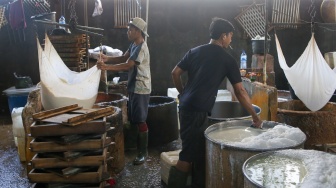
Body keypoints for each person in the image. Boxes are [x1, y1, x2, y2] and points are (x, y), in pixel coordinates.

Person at [168, 17, 263, 188]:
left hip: (185, 106)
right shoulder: (227, 60)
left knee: (196, 150)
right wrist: (255, 115)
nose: (231, 39)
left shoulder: (194, 51)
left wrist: (183, 94)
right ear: (223, 36)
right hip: (197, 110)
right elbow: (240, 91)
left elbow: (175, 73)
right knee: (187, 156)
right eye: (230, 35)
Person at [96, 17, 151, 165]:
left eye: (130, 29)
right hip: (134, 86)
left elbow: (128, 65)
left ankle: (143, 153)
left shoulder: (141, 47)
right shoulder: (133, 44)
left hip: (141, 88)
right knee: (134, 119)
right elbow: (123, 57)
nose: (128, 31)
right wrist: (107, 58)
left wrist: (106, 68)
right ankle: (135, 147)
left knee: (140, 120)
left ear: (138, 32)